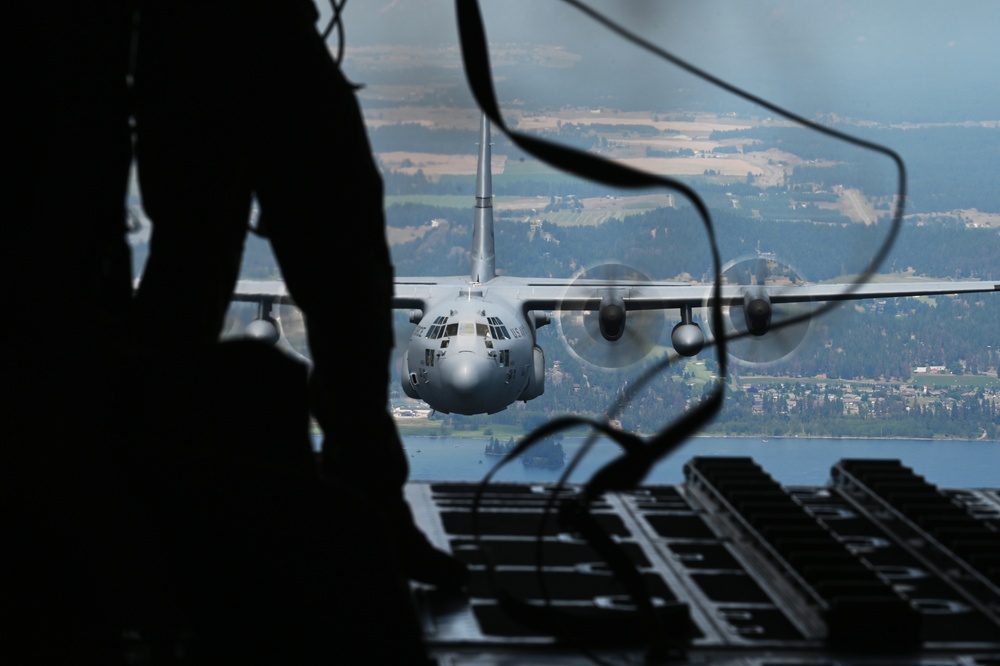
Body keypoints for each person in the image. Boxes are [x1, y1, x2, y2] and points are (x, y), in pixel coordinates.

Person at [130, 0, 467, 588]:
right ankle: (363, 499)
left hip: (195, 37)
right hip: (245, 35)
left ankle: (144, 499)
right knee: (328, 267)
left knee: (194, 269)